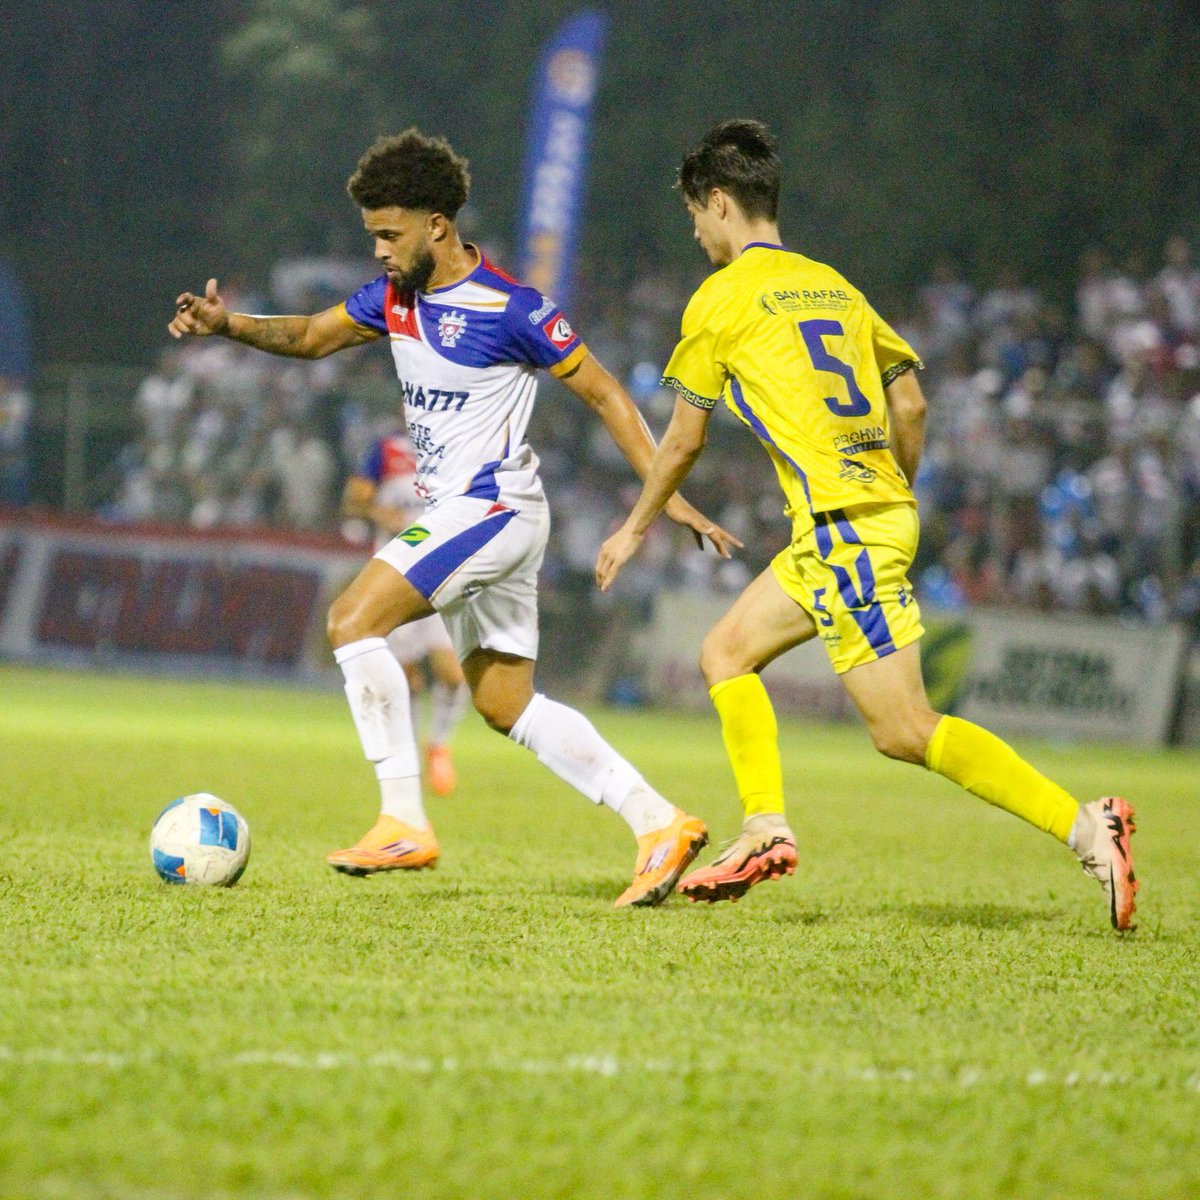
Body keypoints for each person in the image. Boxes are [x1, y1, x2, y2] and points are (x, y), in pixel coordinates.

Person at [169, 128, 739, 907]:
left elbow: (607, 394)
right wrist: (226, 324)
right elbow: (308, 337)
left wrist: (663, 495)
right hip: (478, 514)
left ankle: (402, 818)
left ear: (437, 225)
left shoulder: (513, 309)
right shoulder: (394, 299)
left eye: (387, 233)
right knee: (505, 704)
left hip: (491, 506)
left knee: (350, 621)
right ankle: (658, 822)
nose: (377, 250)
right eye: (372, 234)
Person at [596, 119, 1137, 930]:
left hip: (845, 527)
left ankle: (1090, 827)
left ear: (718, 204)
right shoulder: (834, 286)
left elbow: (683, 437)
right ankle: (763, 827)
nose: (694, 231)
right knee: (725, 653)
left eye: (695, 215)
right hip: (850, 524)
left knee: (905, 730)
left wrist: (636, 527)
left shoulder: (722, 297)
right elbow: (910, 399)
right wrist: (891, 492)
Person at [342, 419, 468, 796]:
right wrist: (383, 515)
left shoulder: (457, 445)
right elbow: (354, 500)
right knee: (406, 677)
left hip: (442, 568)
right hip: (395, 574)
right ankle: (408, 756)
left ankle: (439, 744)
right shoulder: (386, 449)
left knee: (452, 673)